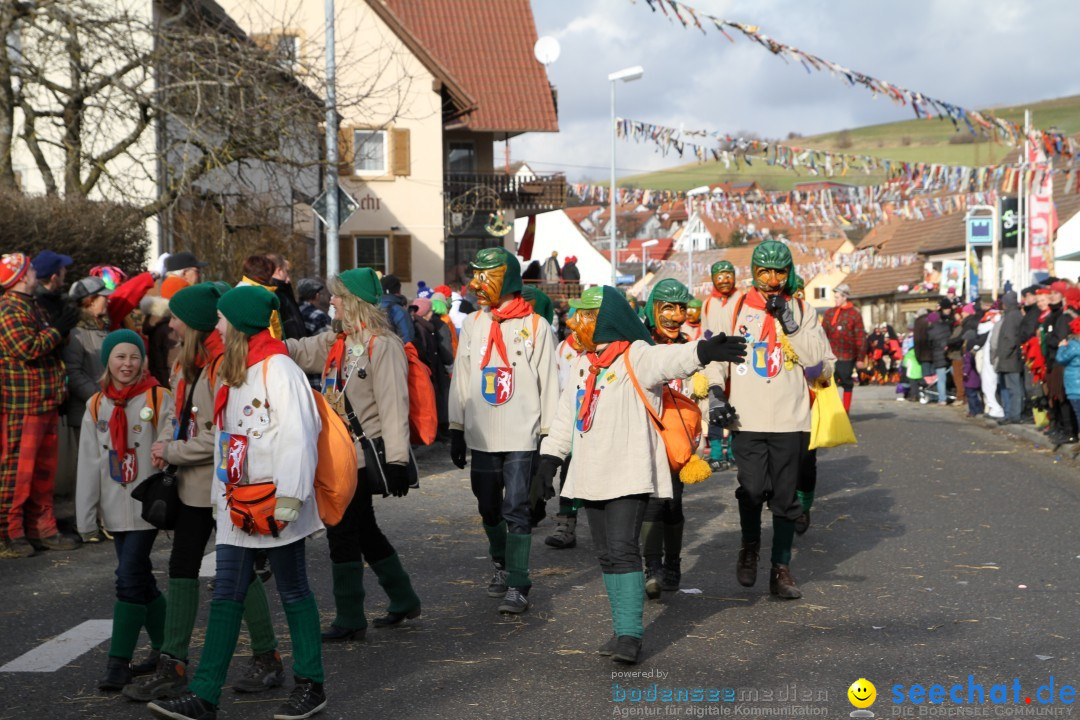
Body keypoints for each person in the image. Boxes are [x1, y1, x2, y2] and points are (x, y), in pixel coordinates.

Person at [532, 286, 747, 663]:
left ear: (604, 321)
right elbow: (566, 418)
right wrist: (549, 460)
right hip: (590, 473)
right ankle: (620, 630)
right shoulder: (585, 363)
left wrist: (703, 352)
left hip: (628, 472)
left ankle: (631, 635)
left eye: (582, 315)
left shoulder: (636, 355)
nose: (573, 321)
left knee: (622, 550)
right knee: (605, 555)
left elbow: (671, 359)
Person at [148, 286, 326, 720]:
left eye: (224, 320)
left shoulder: (279, 368)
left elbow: (301, 435)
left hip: (274, 504)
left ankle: (311, 684)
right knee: (227, 592)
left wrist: (291, 496)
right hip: (237, 505)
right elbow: (230, 443)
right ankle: (205, 695)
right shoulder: (234, 367)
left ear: (241, 325)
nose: (218, 325)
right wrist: (219, 498)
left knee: (293, 589)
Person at [127, 284, 283, 702]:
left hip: (219, 486)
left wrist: (173, 450)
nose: (170, 322)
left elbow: (222, 435)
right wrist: (165, 445)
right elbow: (175, 417)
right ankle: (173, 661)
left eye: (177, 316)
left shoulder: (221, 366)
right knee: (182, 566)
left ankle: (267, 656)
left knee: (238, 569)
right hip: (190, 486)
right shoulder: (185, 364)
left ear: (193, 324)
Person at [285, 268, 421, 643]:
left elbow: (395, 406)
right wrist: (266, 344)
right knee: (363, 530)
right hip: (337, 455)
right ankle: (403, 598)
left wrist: (396, 462)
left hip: (362, 456)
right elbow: (298, 350)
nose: (332, 301)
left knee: (343, 531)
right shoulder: (337, 340)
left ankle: (350, 616)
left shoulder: (384, 345)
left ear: (355, 302)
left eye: (338, 296)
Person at [704, 240, 830, 600]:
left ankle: (781, 567)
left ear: (789, 273)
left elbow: (817, 363)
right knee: (754, 488)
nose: (772, 279)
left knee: (785, 498)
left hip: (791, 419)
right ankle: (749, 545)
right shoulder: (735, 309)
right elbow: (716, 356)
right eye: (764, 272)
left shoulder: (804, 311)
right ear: (753, 273)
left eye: (779, 272)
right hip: (748, 416)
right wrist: (715, 394)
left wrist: (788, 322)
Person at [448, 247, 559, 615]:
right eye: (474, 275)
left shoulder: (536, 326)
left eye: (486, 276)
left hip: (521, 433)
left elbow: (549, 382)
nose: (475, 284)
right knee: (488, 506)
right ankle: (500, 561)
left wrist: (549, 439)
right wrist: (456, 425)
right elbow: (463, 376)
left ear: (507, 278)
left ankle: (519, 581)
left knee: (517, 508)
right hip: (482, 432)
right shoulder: (474, 324)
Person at [76, 330, 174, 691]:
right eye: (119, 357)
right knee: (141, 580)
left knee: (128, 578)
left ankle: (118, 662)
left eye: (134, 357)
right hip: (115, 506)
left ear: (143, 360)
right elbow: (89, 462)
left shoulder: (158, 396)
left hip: (147, 507)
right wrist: (86, 517)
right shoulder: (97, 404)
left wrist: (164, 443)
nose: (127, 364)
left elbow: (169, 433)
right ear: (107, 361)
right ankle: (168, 651)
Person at [0, 253, 81, 557]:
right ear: (20, 276)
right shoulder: (7, 309)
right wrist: (57, 329)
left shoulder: (32, 305)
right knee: (17, 472)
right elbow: (27, 347)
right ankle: (9, 532)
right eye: (30, 269)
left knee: (43, 472)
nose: (35, 272)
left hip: (45, 399)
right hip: (22, 402)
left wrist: (60, 330)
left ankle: (41, 526)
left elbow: (54, 344)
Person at [638, 279, 703, 599]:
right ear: (653, 309)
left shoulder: (693, 348)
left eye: (681, 308)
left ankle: (673, 562)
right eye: (668, 308)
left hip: (678, 441)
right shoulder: (640, 347)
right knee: (652, 503)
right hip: (646, 436)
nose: (676, 316)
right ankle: (653, 567)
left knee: (673, 504)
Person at [544, 308, 583, 550]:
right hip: (570, 422)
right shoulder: (563, 349)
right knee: (568, 474)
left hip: (598, 424)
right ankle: (566, 525)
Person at [701, 261, 743, 469]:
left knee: (738, 405)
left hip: (736, 358)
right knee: (715, 404)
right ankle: (717, 452)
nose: (725, 280)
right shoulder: (708, 303)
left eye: (728, 276)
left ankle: (735, 451)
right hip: (716, 359)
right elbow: (705, 331)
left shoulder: (742, 299)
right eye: (720, 276)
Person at [63, 277, 114, 442]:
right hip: (87, 413)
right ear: (90, 301)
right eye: (103, 296)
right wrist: (100, 398)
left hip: (108, 408)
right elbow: (73, 373)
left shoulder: (104, 329)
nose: (108, 299)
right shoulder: (75, 334)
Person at [820, 283, 866, 413]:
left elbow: (860, 337)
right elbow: (822, 334)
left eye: (837, 297)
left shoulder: (854, 314)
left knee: (846, 381)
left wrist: (860, 357)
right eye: (834, 297)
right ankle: (830, 412)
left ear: (845, 297)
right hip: (830, 355)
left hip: (847, 355)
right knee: (828, 383)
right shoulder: (829, 313)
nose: (835, 300)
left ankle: (846, 411)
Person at [994, 291, 1024, 425]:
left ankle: (1014, 415)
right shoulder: (1013, 314)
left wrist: (1003, 355)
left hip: (1010, 359)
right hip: (1009, 358)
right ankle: (1011, 414)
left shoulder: (1012, 316)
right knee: (1010, 387)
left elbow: (1011, 339)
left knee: (1013, 388)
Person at [265, 253, 308, 341]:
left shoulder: (281, 291)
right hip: (287, 349)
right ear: (279, 270)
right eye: (286, 271)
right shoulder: (276, 294)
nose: (288, 279)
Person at [31, 250, 73, 324]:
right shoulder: (42, 305)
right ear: (54, 278)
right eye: (62, 268)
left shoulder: (53, 299)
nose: (65, 271)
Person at [379, 275, 414, 343]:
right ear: (399, 290)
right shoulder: (398, 310)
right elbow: (407, 338)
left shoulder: (371, 307)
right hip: (395, 350)